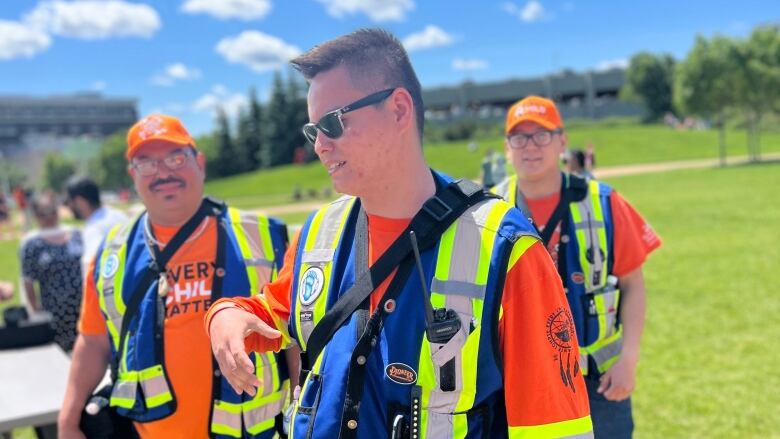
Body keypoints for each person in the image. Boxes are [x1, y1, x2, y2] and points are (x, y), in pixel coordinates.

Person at [206, 29, 592, 438]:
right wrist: (225, 315)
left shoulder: (506, 247)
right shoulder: (319, 233)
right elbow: (275, 314)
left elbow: (556, 428)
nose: (319, 146)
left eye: (332, 123)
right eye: (312, 131)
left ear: (399, 110)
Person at [58, 114, 294, 439]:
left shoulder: (264, 237)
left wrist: (303, 415)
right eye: (147, 163)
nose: (163, 172)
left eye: (175, 157)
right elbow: (94, 340)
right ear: (132, 175)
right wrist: (68, 421)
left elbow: (296, 333)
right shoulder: (111, 254)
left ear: (199, 163)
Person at [492, 96, 662, 438]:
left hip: (600, 382)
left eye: (541, 135)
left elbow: (633, 284)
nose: (530, 147)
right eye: (519, 137)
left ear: (562, 141)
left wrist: (628, 360)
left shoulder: (602, 201)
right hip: (518, 384)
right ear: (507, 147)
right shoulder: (489, 210)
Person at [19, 191, 83, 352]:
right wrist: (35, 311)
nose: (49, 218)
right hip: (54, 312)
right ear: (35, 216)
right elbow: (27, 280)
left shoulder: (75, 234)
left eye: (52, 212)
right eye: (43, 214)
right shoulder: (31, 243)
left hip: (82, 307)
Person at [65, 176, 128, 277]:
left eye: (70, 202)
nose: (69, 207)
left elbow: (91, 268)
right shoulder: (119, 215)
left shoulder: (93, 228)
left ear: (80, 201)